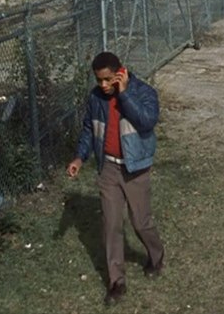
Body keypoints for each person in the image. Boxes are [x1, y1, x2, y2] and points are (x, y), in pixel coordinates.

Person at [66, 51, 165, 306]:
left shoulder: (143, 92)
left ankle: (156, 254)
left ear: (120, 72)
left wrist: (124, 94)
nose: (103, 85)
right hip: (109, 168)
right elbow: (89, 128)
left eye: (108, 79)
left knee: (140, 222)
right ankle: (116, 282)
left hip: (136, 168)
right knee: (111, 225)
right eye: (99, 80)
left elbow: (146, 121)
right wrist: (79, 157)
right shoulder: (96, 98)